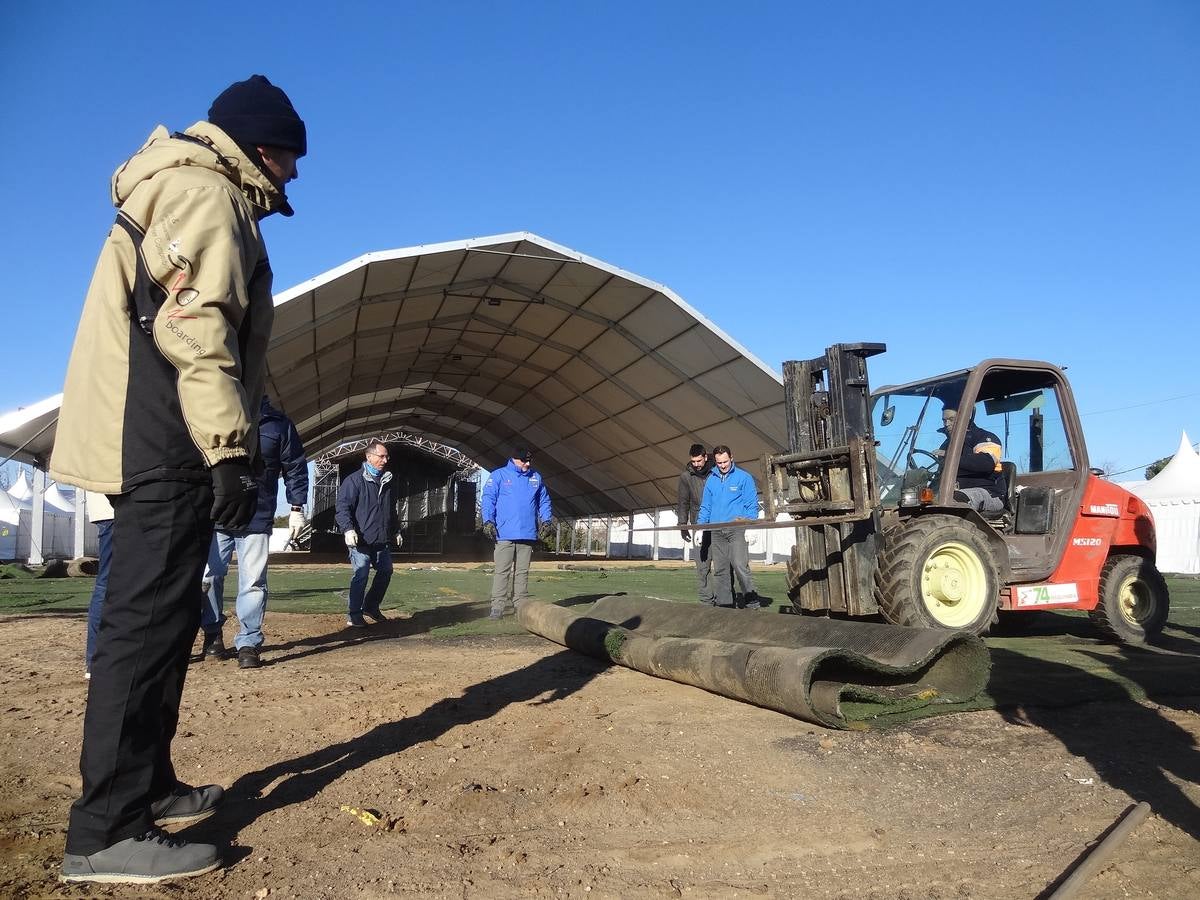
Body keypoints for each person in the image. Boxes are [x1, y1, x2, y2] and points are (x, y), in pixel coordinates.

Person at [49, 74, 307, 883]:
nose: (294, 177)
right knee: (144, 630)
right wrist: (230, 449)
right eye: (292, 159)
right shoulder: (209, 196)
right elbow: (195, 326)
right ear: (262, 147)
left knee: (162, 631)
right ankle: (105, 832)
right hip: (162, 436)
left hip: (154, 432)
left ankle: (147, 787)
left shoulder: (184, 184)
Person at [200, 396, 309, 668]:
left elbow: (294, 465)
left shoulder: (279, 424)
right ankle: (212, 633)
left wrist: (297, 506)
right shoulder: (215, 411)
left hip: (257, 514)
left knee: (253, 581)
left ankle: (248, 641)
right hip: (217, 513)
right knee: (210, 577)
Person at [481, 446, 553, 619]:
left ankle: (520, 604)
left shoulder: (536, 478)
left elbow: (544, 501)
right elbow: (488, 498)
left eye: (529, 461)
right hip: (504, 533)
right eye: (524, 460)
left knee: (522, 572)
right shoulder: (499, 476)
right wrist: (488, 520)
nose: (527, 464)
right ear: (514, 459)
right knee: (502, 571)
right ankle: (497, 606)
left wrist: (547, 520)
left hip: (527, 533)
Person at [335, 440, 402, 627]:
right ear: (369, 456)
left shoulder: (387, 481)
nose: (385, 460)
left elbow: (391, 509)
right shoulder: (354, 481)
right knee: (361, 571)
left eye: (387, 456)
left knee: (386, 571)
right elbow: (342, 508)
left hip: (381, 539)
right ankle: (354, 614)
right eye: (381, 456)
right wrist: (348, 529)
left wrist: (396, 530)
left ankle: (371, 607)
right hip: (360, 540)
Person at [696, 445, 761, 610]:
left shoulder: (744, 478)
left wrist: (751, 525)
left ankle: (751, 602)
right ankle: (725, 605)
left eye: (725, 461)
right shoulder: (711, 480)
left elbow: (751, 504)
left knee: (740, 565)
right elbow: (706, 506)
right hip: (716, 530)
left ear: (731, 458)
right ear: (715, 462)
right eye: (719, 463)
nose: (723, 465)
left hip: (737, 529)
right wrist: (701, 527)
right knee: (721, 570)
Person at [936, 407, 1007, 514]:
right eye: (944, 420)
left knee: (953, 500)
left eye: (951, 419)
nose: (946, 424)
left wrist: (949, 456)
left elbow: (986, 463)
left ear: (966, 417)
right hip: (953, 491)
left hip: (988, 493)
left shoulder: (985, 438)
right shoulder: (947, 444)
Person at [676, 443, 716, 605]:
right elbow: (683, 502)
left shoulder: (717, 472)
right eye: (694, 461)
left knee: (724, 566)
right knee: (702, 565)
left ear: (705, 457)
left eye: (699, 461)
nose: (697, 464)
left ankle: (726, 599)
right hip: (698, 526)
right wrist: (682, 525)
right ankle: (706, 600)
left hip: (719, 523)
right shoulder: (686, 477)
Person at [83, 492, 114, 680]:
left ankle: (95, 659)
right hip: (120, 507)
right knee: (107, 583)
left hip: (106, 509)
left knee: (106, 582)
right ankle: (96, 658)